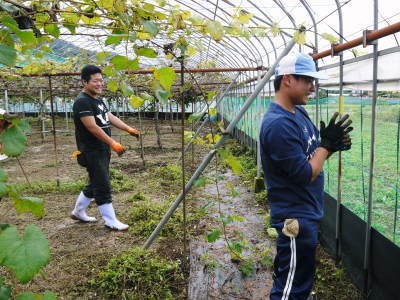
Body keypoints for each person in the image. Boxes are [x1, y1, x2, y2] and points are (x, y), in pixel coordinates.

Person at [259, 52, 353, 299]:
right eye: (307, 80)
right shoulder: (278, 125)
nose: (312, 87)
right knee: (292, 290)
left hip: (306, 211)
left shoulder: (297, 113)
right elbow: (304, 174)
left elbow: (312, 158)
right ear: (288, 79)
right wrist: (326, 146)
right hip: (295, 218)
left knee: (294, 276)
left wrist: (329, 147)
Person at [71, 65, 140, 231]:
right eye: (96, 81)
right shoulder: (82, 102)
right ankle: (110, 220)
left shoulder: (98, 100)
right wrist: (113, 143)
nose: (100, 84)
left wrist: (127, 129)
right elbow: (92, 127)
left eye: (101, 80)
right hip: (91, 150)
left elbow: (109, 116)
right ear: (85, 82)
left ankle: (78, 211)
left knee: (96, 180)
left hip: (101, 149)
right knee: (102, 184)